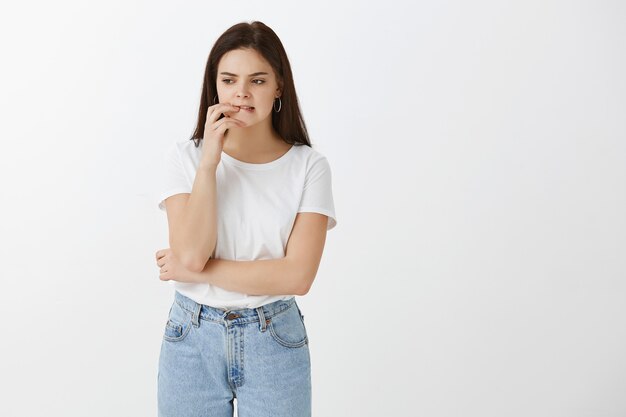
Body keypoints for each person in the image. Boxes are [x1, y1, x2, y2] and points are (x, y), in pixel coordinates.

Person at [154, 21, 337, 417]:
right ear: (214, 87)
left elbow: (297, 277)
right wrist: (209, 164)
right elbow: (190, 252)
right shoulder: (185, 158)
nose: (241, 93)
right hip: (191, 337)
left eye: (257, 80)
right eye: (229, 80)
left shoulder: (309, 167)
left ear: (278, 87)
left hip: (273, 338)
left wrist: (199, 271)